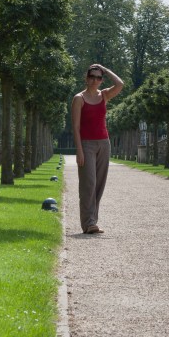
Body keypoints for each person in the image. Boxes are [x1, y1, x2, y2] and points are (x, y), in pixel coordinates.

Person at [71, 63, 124, 234]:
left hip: (104, 143)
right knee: (89, 183)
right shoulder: (79, 98)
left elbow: (120, 84)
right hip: (86, 144)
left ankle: (92, 221)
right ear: (86, 79)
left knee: (99, 184)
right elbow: (76, 127)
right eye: (92, 76)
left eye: (98, 77)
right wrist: (79, 150)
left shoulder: (104, 95)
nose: (95, 80)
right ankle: (88, 223)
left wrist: (105, 69)